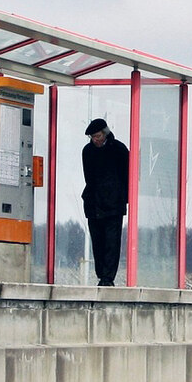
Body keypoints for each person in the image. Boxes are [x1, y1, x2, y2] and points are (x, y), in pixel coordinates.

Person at [81, 118, 129, 286]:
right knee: (98, 242)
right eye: (93, 137)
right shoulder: (87, 151)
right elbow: (89, 178)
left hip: (114, 204)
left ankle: (107, 278)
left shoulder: (119, 150)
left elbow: (127, 176)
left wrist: (123, 197)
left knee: (112, 242)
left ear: (105, 133)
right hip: (94, 204)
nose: (96, 140)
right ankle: (101, 275)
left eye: (98, 135)